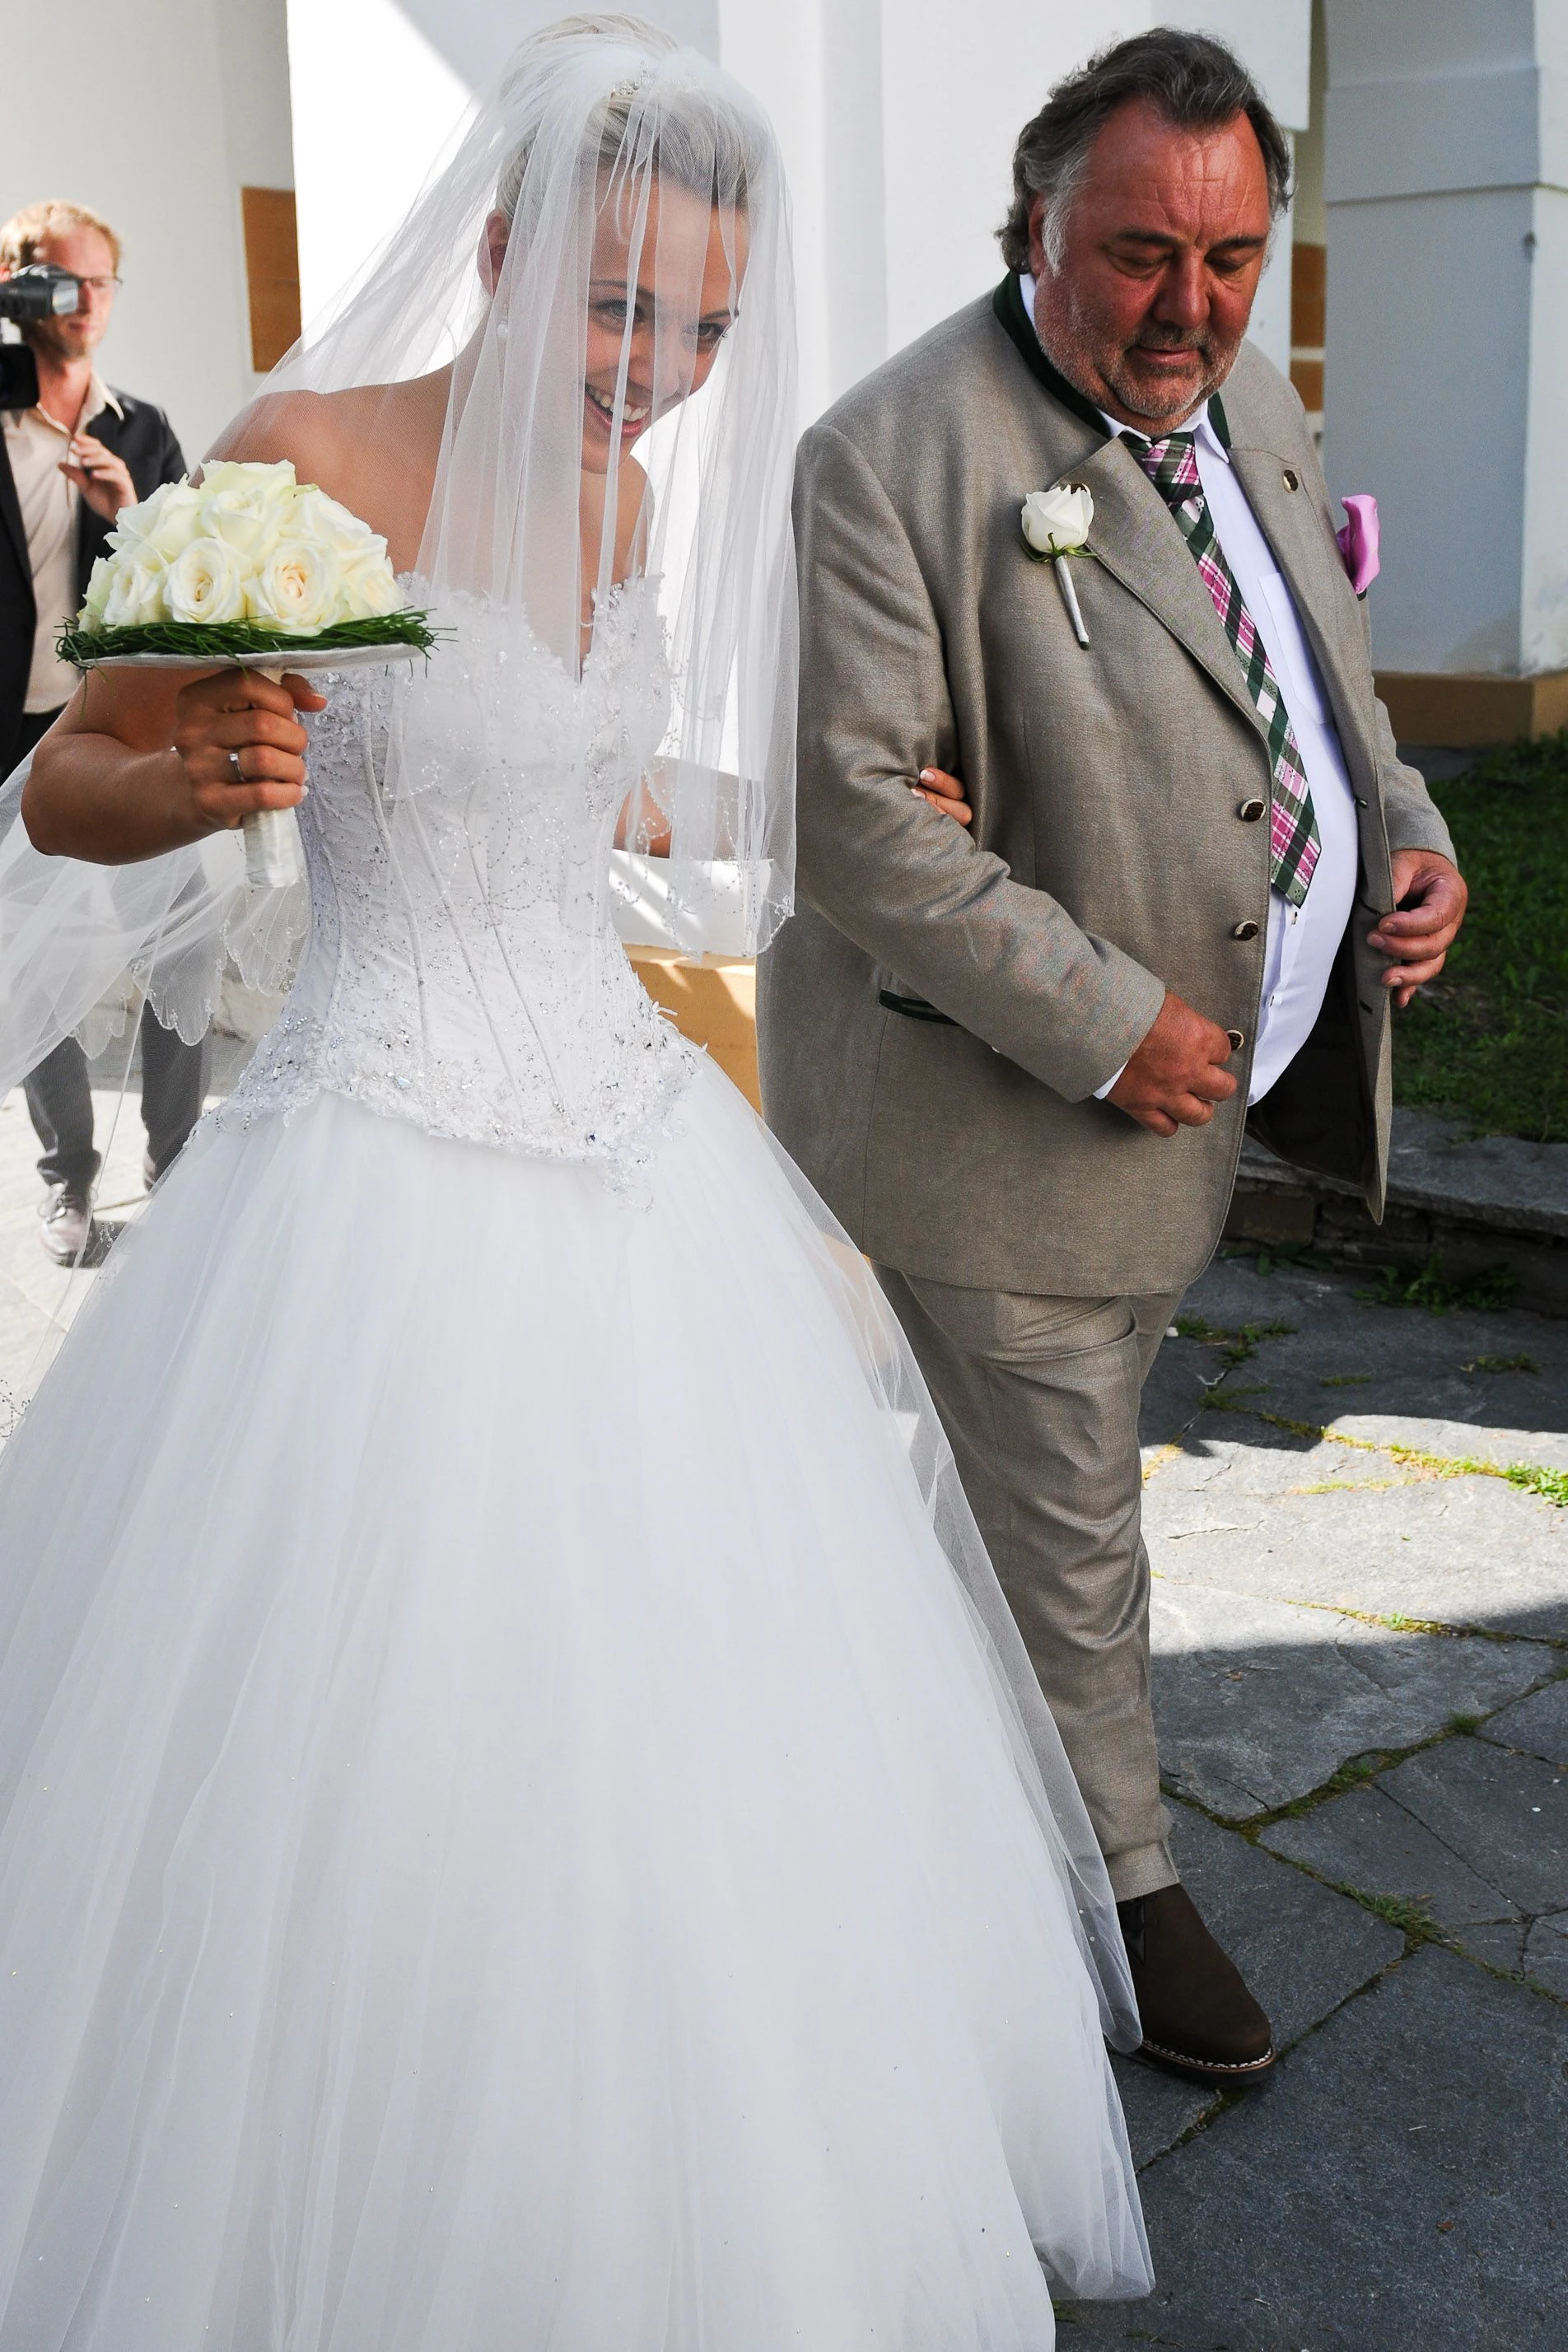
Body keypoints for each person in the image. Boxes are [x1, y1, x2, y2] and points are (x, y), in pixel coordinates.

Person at [0, 21, 1151, 2344]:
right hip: (368, 1182)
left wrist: (760, 806)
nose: (659, 374)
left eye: (710, 330)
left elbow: (571, 788)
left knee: (692, 1757)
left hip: (635, 1174)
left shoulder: (634, 512)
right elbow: (70, 792)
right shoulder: (300, 461)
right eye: (623, 307)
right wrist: (208, 763)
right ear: (507, 250)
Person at [758, 28, 1468, 2089]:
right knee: (1073, 1535)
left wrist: (1406, 843)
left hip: (1207, 1117)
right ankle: (1133, 1895)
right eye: (1142, 254)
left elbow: (1319, 686)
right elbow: (856, 814)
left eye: (1232, 256)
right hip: (1001, 1129)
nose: (1192, 307)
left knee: (982, 1507)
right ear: (1037, 223)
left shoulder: (1247, 388)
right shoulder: (886, 454)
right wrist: (1103, 1019)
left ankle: (887, 1769)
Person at [0, 199, 209, 1261]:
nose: (82, 304)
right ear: (17, 286)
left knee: (187, 936)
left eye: (100, 283)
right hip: (10, 737)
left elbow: (186, 591)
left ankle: (175, 1164)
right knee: (33, 966)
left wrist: (130, 512)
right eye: (56, 281)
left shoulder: (146, 430)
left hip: (118, 732)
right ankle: (67, 1178)